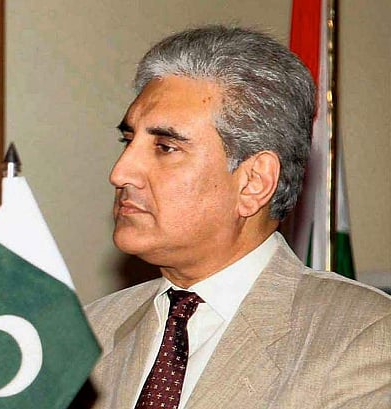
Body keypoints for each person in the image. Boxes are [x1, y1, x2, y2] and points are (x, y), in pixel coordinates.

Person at [81, 25, 391, 409]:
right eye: (128, 141)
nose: (120, 172)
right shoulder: (86, 334)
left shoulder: (363, 337)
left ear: (253, 183)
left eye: (165, 147)